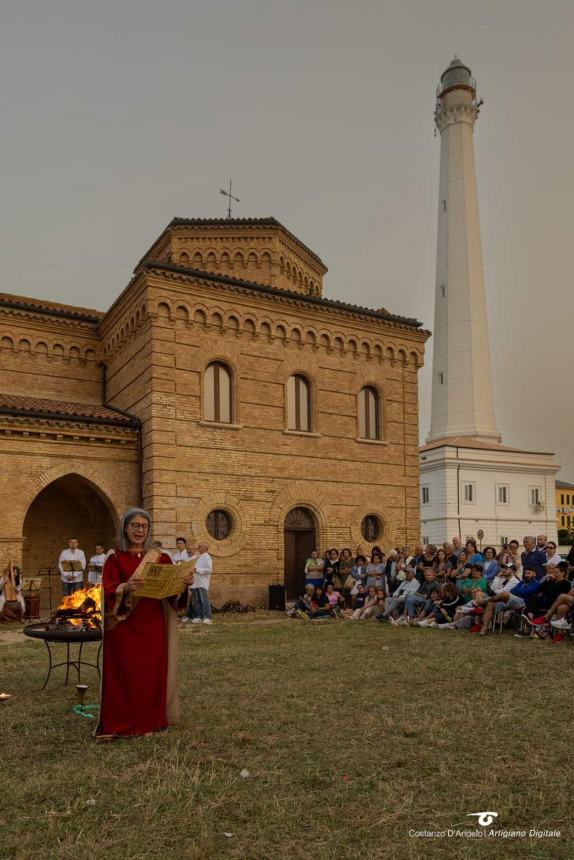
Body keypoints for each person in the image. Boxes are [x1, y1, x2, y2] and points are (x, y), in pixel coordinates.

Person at [96, 508, 193, 739]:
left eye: (144, 526)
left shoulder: (161, 558)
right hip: (123, 627)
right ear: (125, 528)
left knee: (151, 673)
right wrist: (125, 587)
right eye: (135, 526)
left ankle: (151, 721)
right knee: (126, 674)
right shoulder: (115, 558)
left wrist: (184, 583)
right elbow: (108, 589)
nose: (140, 530)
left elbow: (173, 594)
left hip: (153, 625)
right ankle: (123, 722)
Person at [478, 568, 540, 636]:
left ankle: (486, 600)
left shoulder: (536, 583)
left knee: (505, 594)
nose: (527, 575)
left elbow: (525, 592)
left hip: (523, 602)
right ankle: (484, 628)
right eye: (526, 573)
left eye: (529, 573)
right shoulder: (522, 583)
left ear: (534, 574)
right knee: (491, 603)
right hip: (512, 600)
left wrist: (519, 591)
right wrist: (520, 591)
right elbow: (513, 590)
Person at [187, 542, 213, 624]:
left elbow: (209, 570)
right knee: (196, 600)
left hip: (202, 582)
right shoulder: (198, 557)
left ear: (205, 548)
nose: (198, 547)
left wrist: (197, 570)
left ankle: (207, 617)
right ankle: (198, 616)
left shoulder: (207, 557)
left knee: (203, 599)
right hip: (195, 582)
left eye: (200, 546)